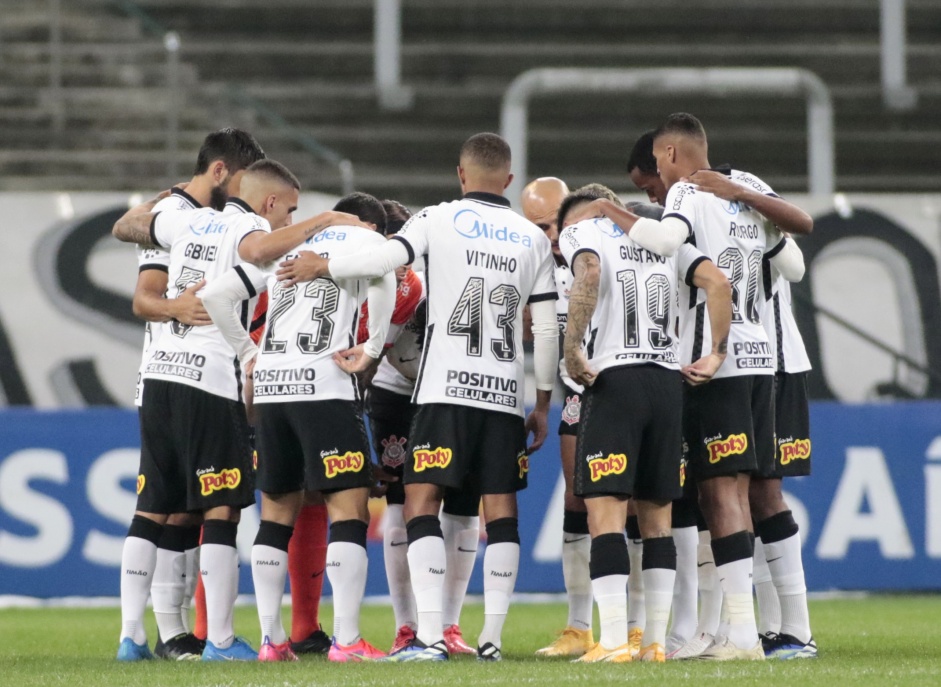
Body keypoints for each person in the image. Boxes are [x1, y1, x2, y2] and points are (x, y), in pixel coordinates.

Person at [275, 132, 560, 662]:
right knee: (500, 514)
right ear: (510, 179)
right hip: (500, 397)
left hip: (441, 392)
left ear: (459, 174)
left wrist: (324, 266)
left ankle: (426, 634)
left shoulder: (436, 218)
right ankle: (491, 638)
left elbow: (383, 261)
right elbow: (545, 332)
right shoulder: (534, 238)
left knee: (419, 503)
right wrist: (542, 403)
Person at [567, 113, 805, 660]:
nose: (656, 178)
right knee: (737, 491)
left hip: (708, 365)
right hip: (763, 358)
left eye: (655, 167)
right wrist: (743, 199)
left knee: (716, 493)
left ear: (670, 155)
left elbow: (660, 240)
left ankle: (739, 635)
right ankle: (730, 630)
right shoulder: (746, 192)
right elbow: (793, 261)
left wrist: (609, 212)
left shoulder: (685, 196)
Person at [111, 159, 369, 661]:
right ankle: (222, 640)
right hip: (207, 377)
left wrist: (170, 196)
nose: (288, 221)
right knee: (220, 507)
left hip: (159, 372)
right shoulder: (249, 225)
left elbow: (127, 226)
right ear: (270, 202)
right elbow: (254, 250)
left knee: (153, 507)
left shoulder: (185, 217)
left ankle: (132, 637)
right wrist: (324, 221)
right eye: (289, 210)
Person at [200, 190, 397, 663]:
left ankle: (272, 641)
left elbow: (214, 294)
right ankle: (347, 641)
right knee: (347, 510)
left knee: (275, 515)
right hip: (325, 383)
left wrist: (250, 355)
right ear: (371, 226)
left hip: (271, 388)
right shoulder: (361, 240)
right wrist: (371, 347)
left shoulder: (288, 245)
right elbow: (386, 276)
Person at [559, 184, 732, 663]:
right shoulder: (672, 244)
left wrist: (573, 348)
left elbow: (589, 272)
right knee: (658, 520)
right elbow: (719, 283)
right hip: (667, 383)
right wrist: (716, 352)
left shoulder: (586, 232)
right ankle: (653, 643)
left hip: (616, 381)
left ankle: (613, 640)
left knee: (605, 511)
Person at [118, 128, 266, 662]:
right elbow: (144, 299)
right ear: (223, 172)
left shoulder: (195, 219)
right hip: (191, 376)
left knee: (171, 508)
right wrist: (177, 308)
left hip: (165, 377)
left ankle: (156, 635)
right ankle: (199, 635)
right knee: (207, 505)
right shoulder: (177, 217)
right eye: (245, 179)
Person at [681, 169, 817, 659]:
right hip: (746, 364)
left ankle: (794, 630)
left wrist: (746, 197)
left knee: (757, 490)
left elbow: (797, 262)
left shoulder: (736, 196)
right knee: (730, 490)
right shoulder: (706, 212)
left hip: (771, 365)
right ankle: (754, 628)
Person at [363, 201, 480, 657]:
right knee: (399, 501)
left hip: (447, 392)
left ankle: (448, 624)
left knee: (462, 503)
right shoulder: (381, 279)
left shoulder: (438, 272)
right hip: (395, 392)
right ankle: (407, 626)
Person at [521, 177, 594, 659]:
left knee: (635, 507)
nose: (548, 236)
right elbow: (532, 334)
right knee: (576, 498)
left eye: (551, 224)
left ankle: (641, 627)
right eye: (536, 227)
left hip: (624, 386)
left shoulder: (596, 252)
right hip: (576, 392)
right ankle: (578, 627)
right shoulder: (533, 265)